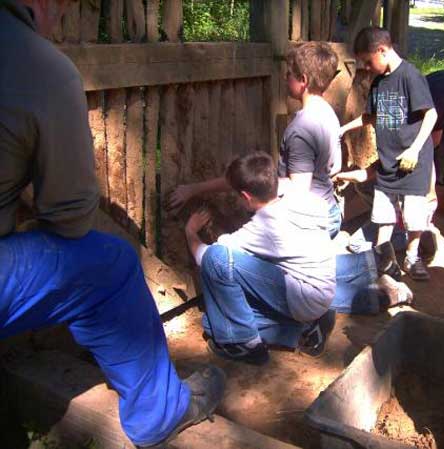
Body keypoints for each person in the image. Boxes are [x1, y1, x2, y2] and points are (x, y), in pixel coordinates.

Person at [0, 1, 226, 448]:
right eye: (62, 12)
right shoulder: (41, 66)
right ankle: (160, 411)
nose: (58, 24)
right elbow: (69, 218)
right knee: (114, 264)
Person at [185, 152, 412, 365]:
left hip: (304, 299)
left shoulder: (263, 227)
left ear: (246, 196)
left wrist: (191, 233)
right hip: (322, 289)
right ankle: (304, 329)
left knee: (217, 262)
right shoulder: (298, 195)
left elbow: (209, 258)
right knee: (215, 321)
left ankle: (245, 344)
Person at [170, 41, 343, 238]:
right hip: (329, 209)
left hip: (311, 222)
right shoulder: (328, 113)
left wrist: (254, 184)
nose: (285, 77)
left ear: (303, 80)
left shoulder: (302, 128)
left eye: (289, 74)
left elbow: (299, 188)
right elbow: (335, 167)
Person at [336, 27, 438, 281]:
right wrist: (343, 129)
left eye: (368, 61)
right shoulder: (379, 82)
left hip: (413, 161)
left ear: (382, 50)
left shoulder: (410, 76)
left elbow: (431, 114)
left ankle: (412, 257)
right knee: (383, 213)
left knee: (414, 215)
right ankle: (385, 258)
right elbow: (370, 117)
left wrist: (414, 149)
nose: (367, 67)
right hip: (388, 160)